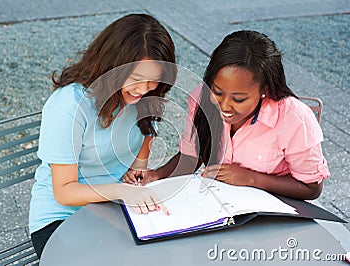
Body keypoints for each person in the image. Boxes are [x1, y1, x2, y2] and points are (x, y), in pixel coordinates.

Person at [29, 13, 177, 259]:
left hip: (113, 210)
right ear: (113, 66)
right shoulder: (70, 104)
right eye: (137, 79)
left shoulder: (139, 98)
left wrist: (136, 173)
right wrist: (123, 192)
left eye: (154, 81)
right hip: (60, 220)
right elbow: (64, 192)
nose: (144, 90)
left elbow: (146, 135)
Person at [124, 30, 330, 201]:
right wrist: (158, 174)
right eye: (217, 92)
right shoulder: (200, 98)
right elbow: (193, 156)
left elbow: (311, 188)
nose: (224, 106)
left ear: (264, 90)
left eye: (239, 99)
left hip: (273, 211)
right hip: (218, 204)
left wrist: (252, 179)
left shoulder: (294, 118)